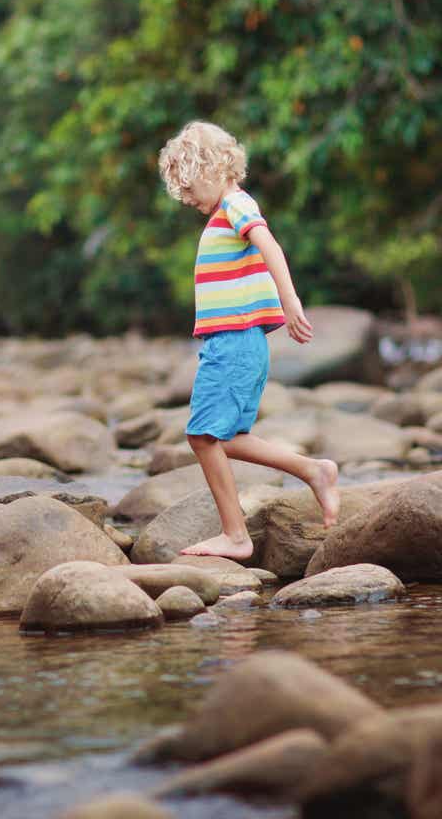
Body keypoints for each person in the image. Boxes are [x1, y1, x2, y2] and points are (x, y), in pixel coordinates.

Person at [157, 120, 340, 561]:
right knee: (227, 437)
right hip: (235, 343)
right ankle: (314, 471)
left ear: (212, 168)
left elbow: (270, 245)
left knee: (202, 436)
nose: (190, 201)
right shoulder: (227, 209)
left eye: (191, 189)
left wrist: (291, 301)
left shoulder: (236, 205)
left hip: (234, 342)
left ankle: (236, 535)